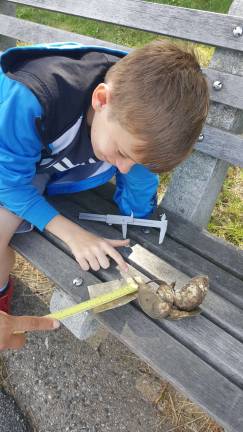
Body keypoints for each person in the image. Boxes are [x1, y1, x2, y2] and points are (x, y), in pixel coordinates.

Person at [0, 39, 209, 350]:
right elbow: (9, 185)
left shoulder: (134, 122)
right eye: (122, 153)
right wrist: (72, 234)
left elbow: (138, 171)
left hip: (34, 167)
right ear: (100, 100)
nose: (123, 169)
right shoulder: (32, 98)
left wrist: (137, 212)